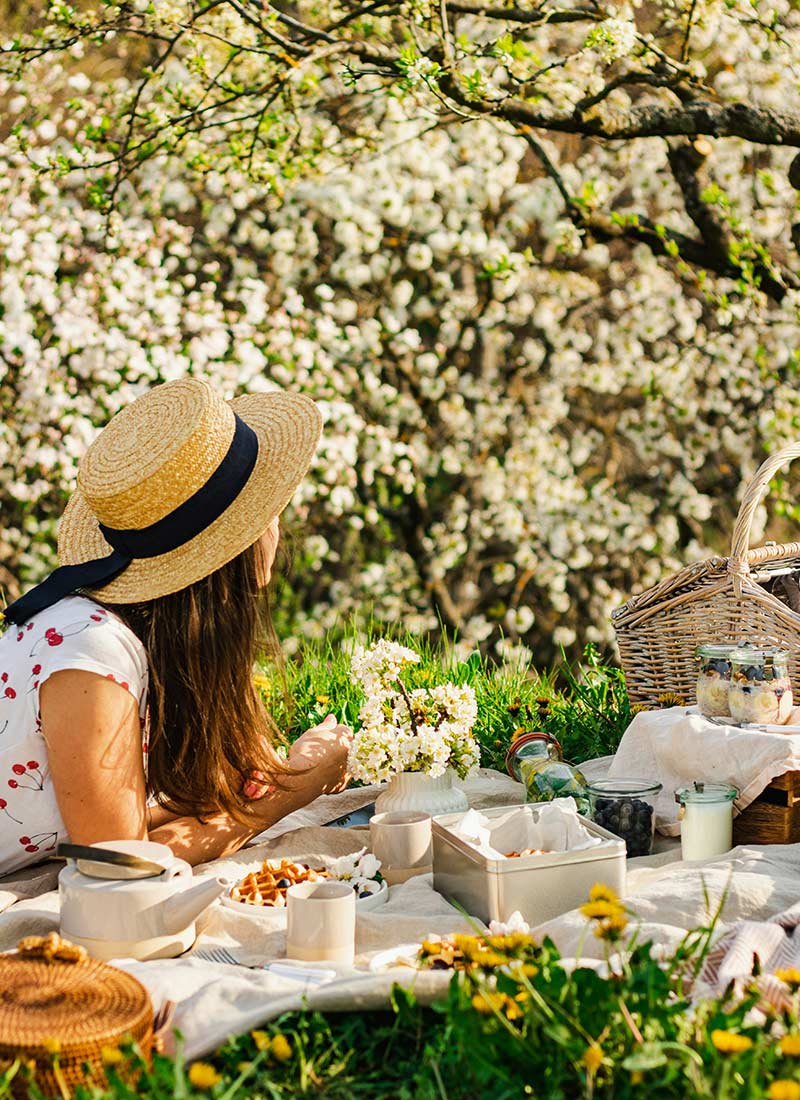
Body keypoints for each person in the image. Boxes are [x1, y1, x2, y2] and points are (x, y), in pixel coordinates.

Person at [0, 377, 352, 876]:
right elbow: (119, 866)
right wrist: (298, 783)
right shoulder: (90, 651)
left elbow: (115, 814)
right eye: (267, 510)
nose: (276, 525)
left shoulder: (134, 637)